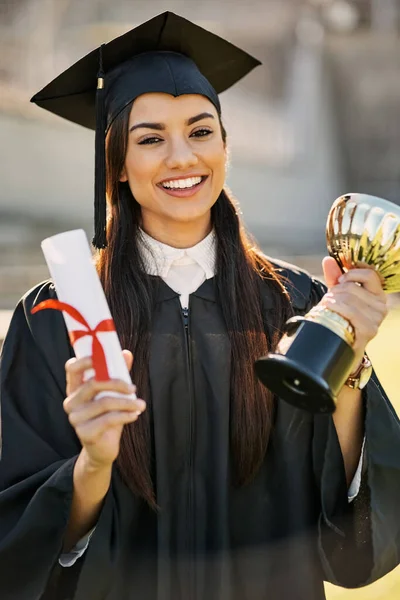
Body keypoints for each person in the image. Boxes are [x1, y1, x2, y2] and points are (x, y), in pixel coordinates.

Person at [0, 11, 399, 600]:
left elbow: (351, 540)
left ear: (224, 145)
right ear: (115, 163)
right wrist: (93, 465)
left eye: (201, 130)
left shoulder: (296, 304)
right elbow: (20, 548)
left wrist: (346, 368)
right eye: (151, 139)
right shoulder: (58, 320)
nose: (183, 157)